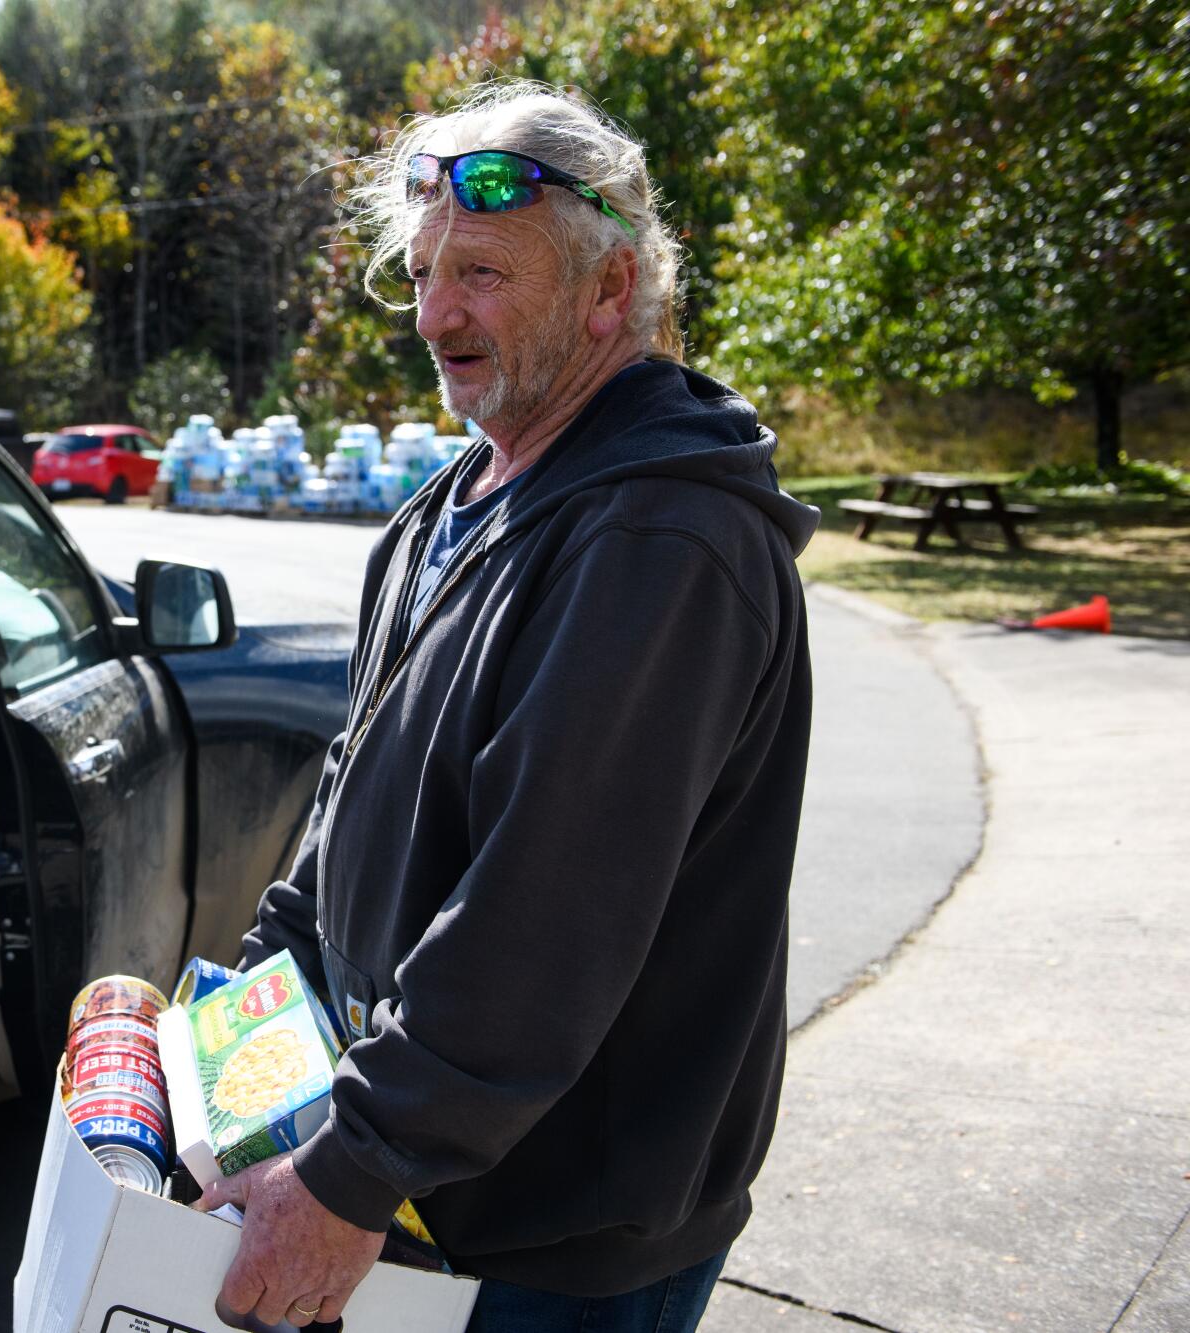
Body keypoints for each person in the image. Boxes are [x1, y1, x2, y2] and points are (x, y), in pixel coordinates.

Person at [196, 82, 818, 1333]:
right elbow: (350, 806)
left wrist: (355, 1167)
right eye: (421, 272)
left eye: (479, 271)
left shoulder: (660, 539)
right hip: (434, 1196)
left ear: (607, 292)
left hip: (558, 1239)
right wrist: (245, 1004)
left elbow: (543, 914)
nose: (433, 314)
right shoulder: (448, 507)